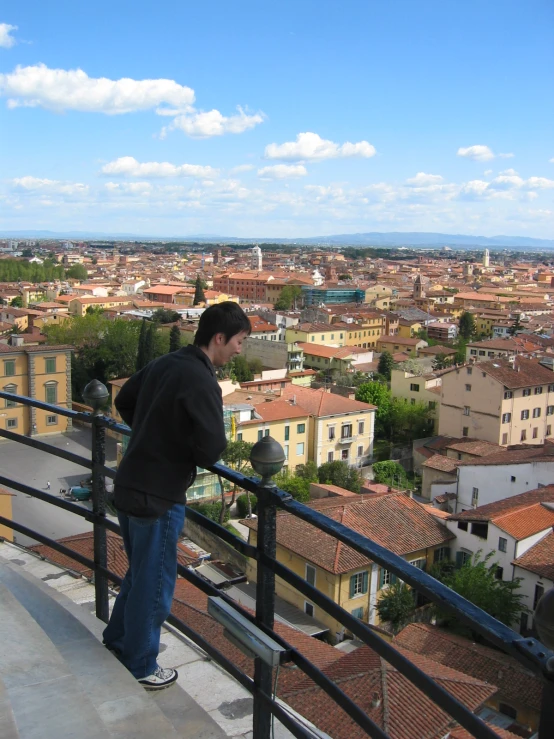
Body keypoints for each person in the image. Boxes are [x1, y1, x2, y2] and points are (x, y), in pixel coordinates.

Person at [102, 302, 251, 689]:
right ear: (219, 338)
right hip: (160, 493)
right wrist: (174, 443)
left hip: (130, 483)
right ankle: (142, 665)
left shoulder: (168, 362)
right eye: (239, 341)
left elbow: (124, 401)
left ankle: (118, 642)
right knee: (155, 585)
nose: (240, 349)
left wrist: (153, 432)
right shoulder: (203, 381)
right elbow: (211, 449)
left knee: (139, 576)